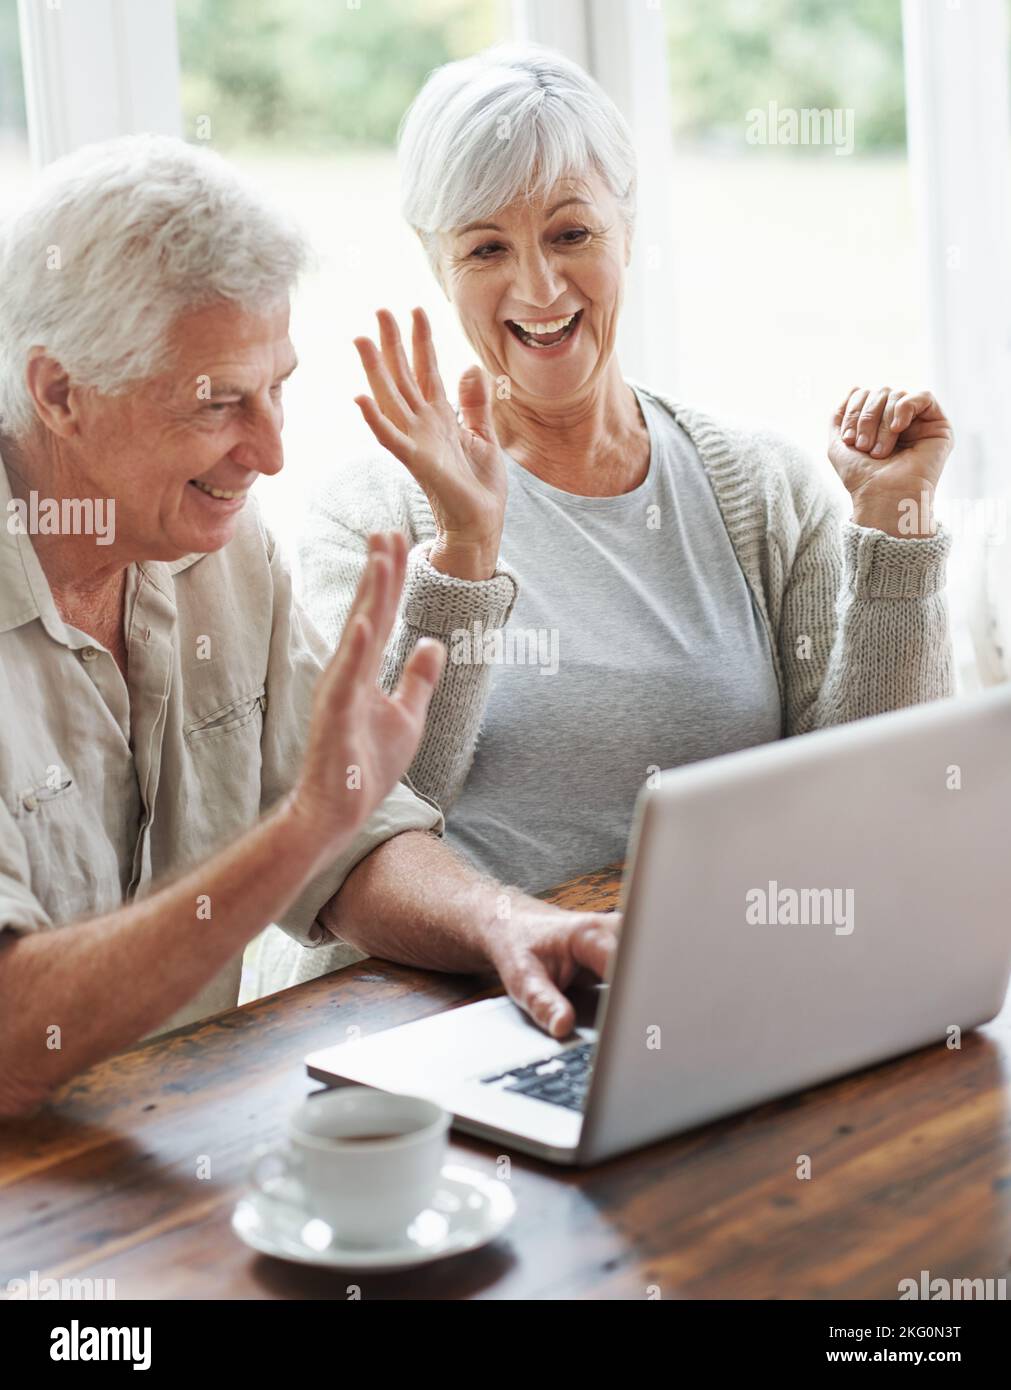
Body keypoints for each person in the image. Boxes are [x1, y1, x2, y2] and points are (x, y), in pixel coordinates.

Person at [259, 42, 954, 991]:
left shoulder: (759, 489)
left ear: (628, 229)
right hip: (429, 1016)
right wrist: (463, 557)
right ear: (438, 264)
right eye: (487, 248)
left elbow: (870, 804)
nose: (539, 288)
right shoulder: (368, 514)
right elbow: (357, 831)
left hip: (708, 993)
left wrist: (891, 524)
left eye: (572, 234)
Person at [0, 134, 618, 1119]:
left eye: (278, 384)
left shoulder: (218, 550)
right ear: (60, 391)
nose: (272, 452)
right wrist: (301, 829)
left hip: (168, 1145)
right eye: (220, 405)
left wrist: (503, 922)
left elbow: (350, 837)